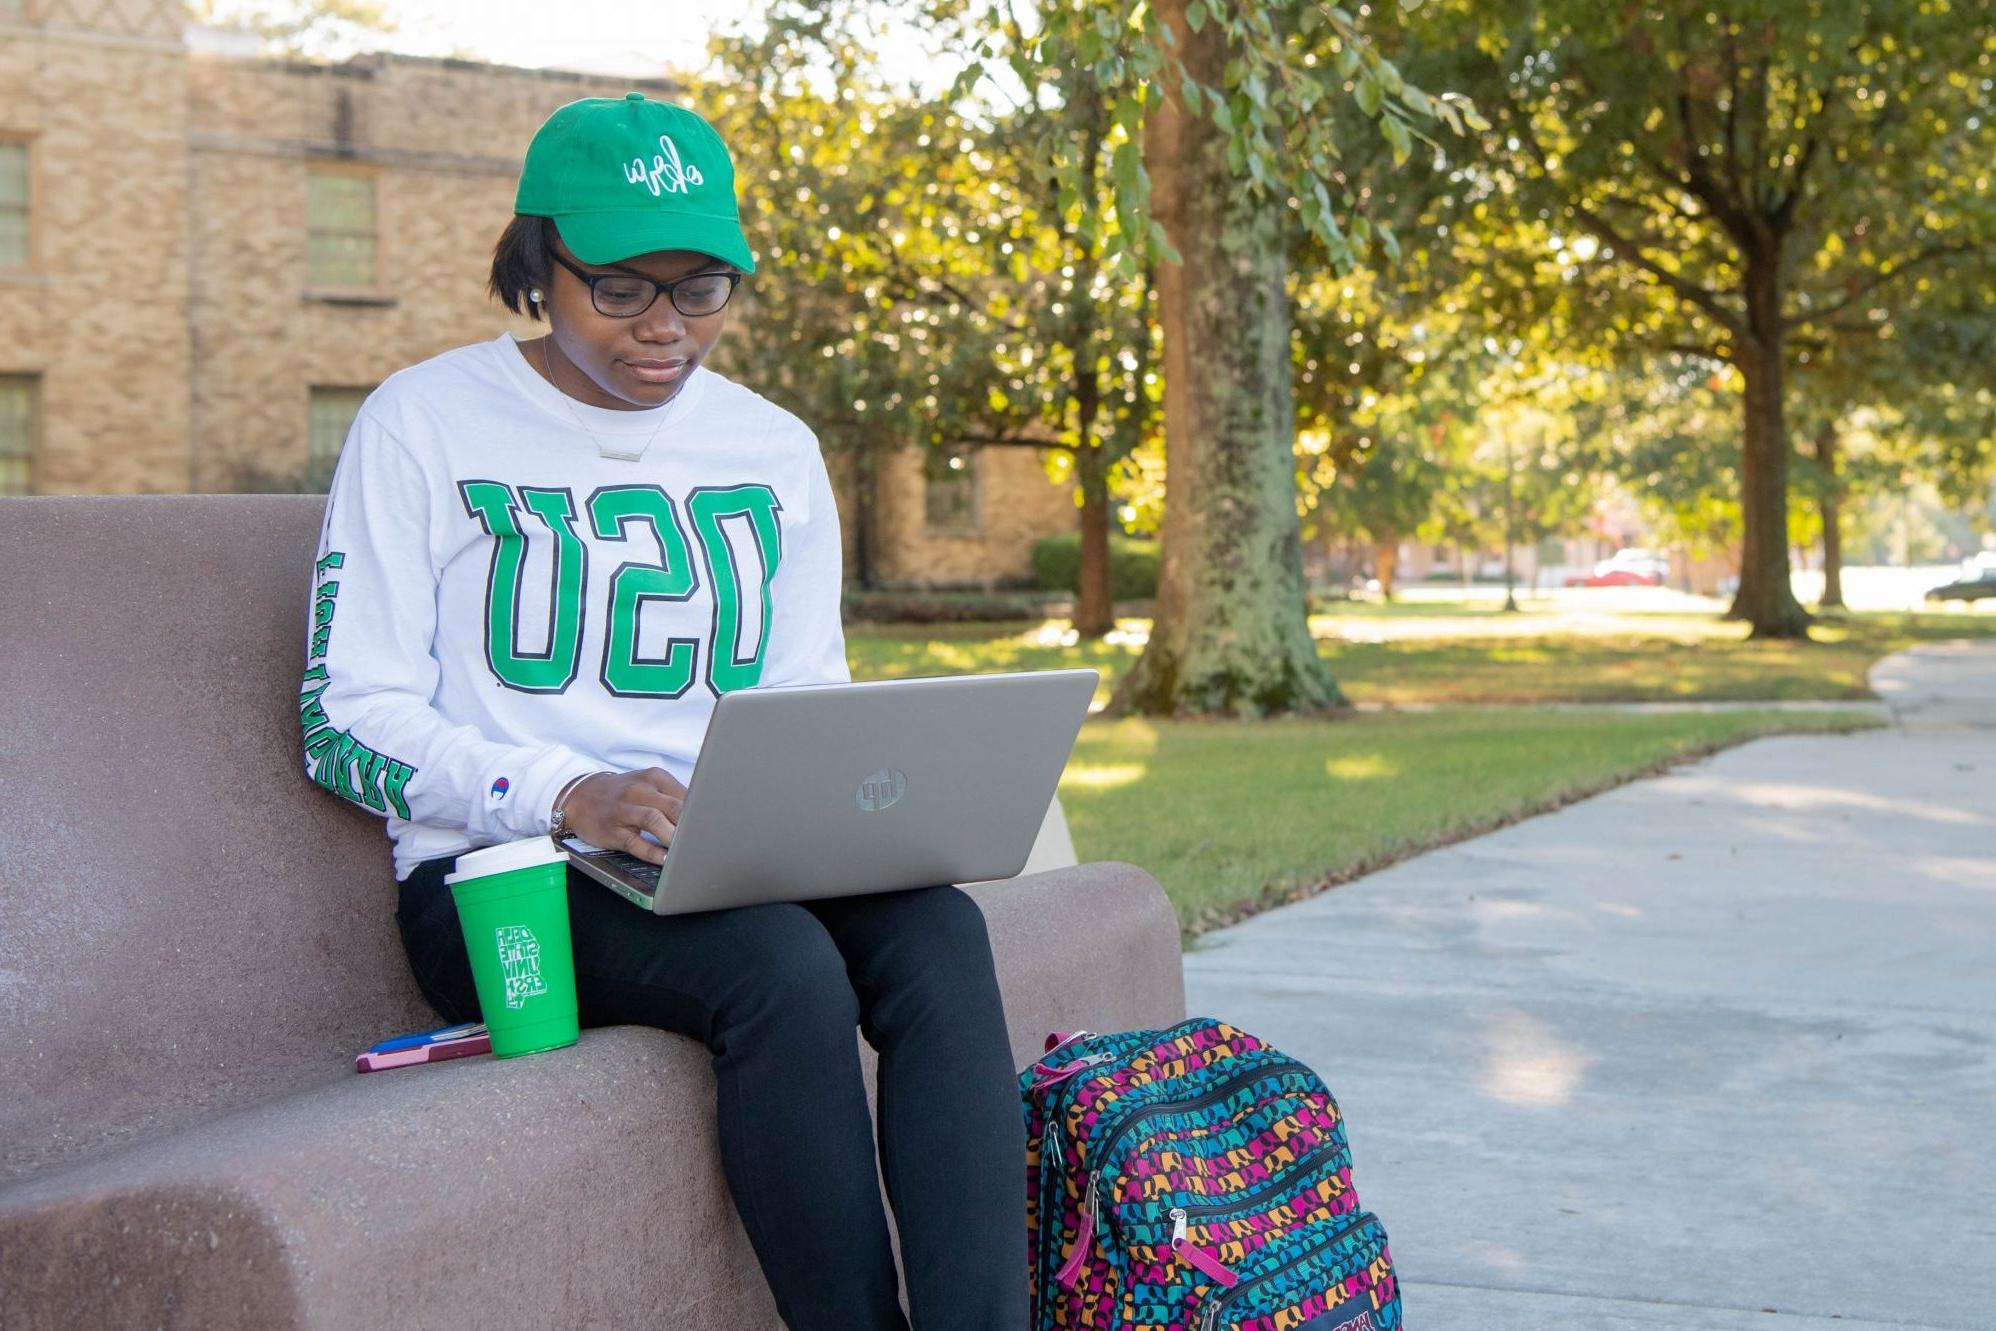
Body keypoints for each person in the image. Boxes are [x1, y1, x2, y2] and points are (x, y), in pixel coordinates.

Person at [301, 93, 1027, 1331]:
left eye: (701, 290)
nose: (665, 328)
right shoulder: (422, 422)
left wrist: (846, 810)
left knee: (940, 933)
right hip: (503, 877)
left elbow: (805, 697)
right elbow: (340, 715)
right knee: (782, 971)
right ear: (538, 264)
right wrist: (566, 791)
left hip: (731, 852)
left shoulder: (774, 450)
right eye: (622, 287)